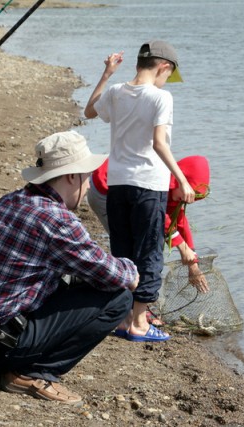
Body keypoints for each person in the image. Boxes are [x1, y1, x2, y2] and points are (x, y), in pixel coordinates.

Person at [0, 130, 139, 404]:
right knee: (119, 298)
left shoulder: (11, 200)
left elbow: (87, 265)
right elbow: (115, 275)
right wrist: (132, 270)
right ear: (72, 176)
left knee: (80, 279)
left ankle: (19, 364)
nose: (87, 187)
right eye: (86, 178)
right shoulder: (57, 219)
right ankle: (31, 372)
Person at [83, 40, 195, 343]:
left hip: (118, 184)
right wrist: (182, 180)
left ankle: (123, 318)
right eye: (167, 75)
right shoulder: (162, 97)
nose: (166, 80)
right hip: (149, 184)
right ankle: (139, 324)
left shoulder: (118, 91)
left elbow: (90, 111)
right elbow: (160, 143)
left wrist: (106, 74)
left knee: (123, 251)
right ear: (164, 67)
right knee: (148, 253)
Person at [88, 156, 211, 294]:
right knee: (130, 246)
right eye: (187, 197)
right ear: (181, 181)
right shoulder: (160, 181)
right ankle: (128, 301)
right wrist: (182, 248)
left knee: (143, 243)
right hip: (104, 189)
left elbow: (180, 221)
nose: (186, 202)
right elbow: (157, 217)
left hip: (126, 187)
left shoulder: (175, 190)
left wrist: (192, 261)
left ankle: (134, 298)